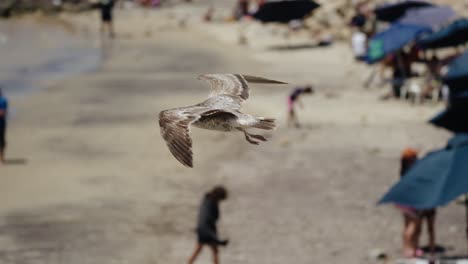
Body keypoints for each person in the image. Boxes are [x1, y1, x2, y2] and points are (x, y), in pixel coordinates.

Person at [188, 186, 229, 264]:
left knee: (199, 249)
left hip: (203, 229)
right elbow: (208, 219)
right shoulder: (211, 203)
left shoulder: (207, 200)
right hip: (207, 230)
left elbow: (203, 217)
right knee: (214, 251)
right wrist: (220, 241)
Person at [0, 88, 8, 164]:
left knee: (1, 141)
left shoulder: (3, 100)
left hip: (1, 124)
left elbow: (3, 113)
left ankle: (2, 157)